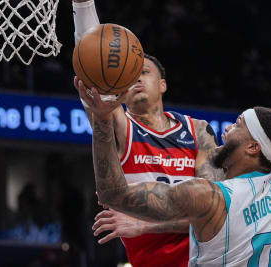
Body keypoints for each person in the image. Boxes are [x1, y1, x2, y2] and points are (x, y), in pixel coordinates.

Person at [72, 1, 224, 266]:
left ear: (163, 84)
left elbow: (215, 215)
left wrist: (144, 224)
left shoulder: (198, 130)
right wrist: (83, 5)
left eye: (143, 72)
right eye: (129, 76)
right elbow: (93, 52)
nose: (137, 79)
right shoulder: (121, 127)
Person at [78, 83, 271, 266]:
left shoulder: (207, 196)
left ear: (253, 147)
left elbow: (112, 194)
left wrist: (102, 120)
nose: (227, 129)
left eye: (237, 125)